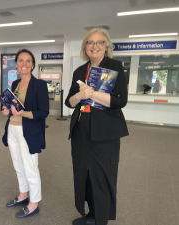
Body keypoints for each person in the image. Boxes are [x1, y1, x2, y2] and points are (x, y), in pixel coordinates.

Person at [65, 28, 129, 225]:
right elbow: (69, 102)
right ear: (85, 47)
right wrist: (79, 96)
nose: (94, 46)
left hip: (105, 134)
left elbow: (120, 101)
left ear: (106, 46)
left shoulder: (115, 67)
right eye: (90, 42)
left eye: (99, 42)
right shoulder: (79, 71)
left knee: (102, 177)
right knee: (84, 176)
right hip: (81, 132)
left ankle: (101, 219)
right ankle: (91, 215)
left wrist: (91, 94)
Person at [2, 49, 49, 218]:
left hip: (29, 132)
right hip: (13, 130)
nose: (24, 64)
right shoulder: (15, 84)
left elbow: (43, 112)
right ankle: (23, 195)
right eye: (20, 60)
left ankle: (34, 202)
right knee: (18, 166)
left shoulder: (40, 85)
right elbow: (13, 108)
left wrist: (23, 113)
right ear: (16, 64)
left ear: (33, 65)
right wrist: (7, 111)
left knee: (30, 168)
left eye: (28, 61)